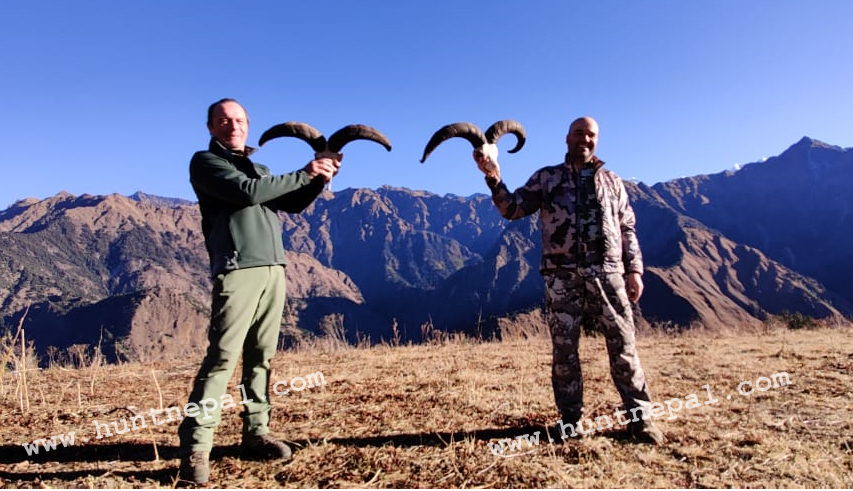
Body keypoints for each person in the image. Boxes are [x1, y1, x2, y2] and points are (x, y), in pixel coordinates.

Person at [473, 116, 664, 444]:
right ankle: (571, 420)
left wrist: (635, 270)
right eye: (579, 133)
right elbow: (513, 208)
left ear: (597, 140)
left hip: (609, 273)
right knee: (565, 351)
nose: (585, 140)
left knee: (624, 345)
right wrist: (493, 176)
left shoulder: (613, 182)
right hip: (562, 276)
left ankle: (640, 418)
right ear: (567, 138)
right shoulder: (548, 179)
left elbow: (627, 227)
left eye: (591, 135)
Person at [178, 98, 341, 484]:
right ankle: (196, 448)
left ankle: (256, 433)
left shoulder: (262, 168)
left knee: (261, 356)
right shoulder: (205, 163)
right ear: (211, 127)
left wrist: (319, 176)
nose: (232, 126)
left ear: (248, 125)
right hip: (238, 271)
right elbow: (248, 193)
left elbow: (294, 203)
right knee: (221, 357)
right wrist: (306, 170)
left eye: (239, 120)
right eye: (223, 120)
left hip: (274, 271)